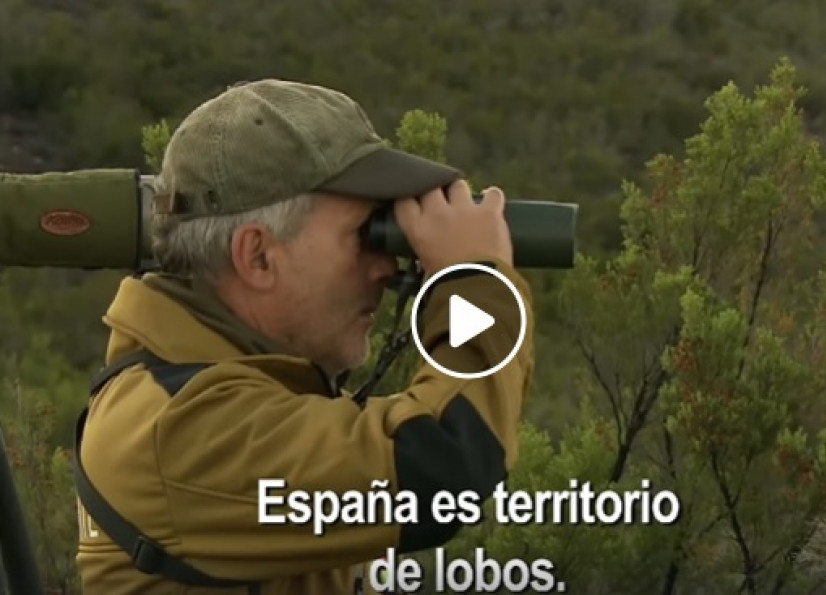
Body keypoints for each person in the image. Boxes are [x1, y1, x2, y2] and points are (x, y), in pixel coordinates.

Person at [74, 79, 535, 594]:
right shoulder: (180, 429)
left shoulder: (241, 386)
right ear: (258, 257)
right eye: (366, 235)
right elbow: (442, 464)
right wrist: (474, 278)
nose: (386, 267)